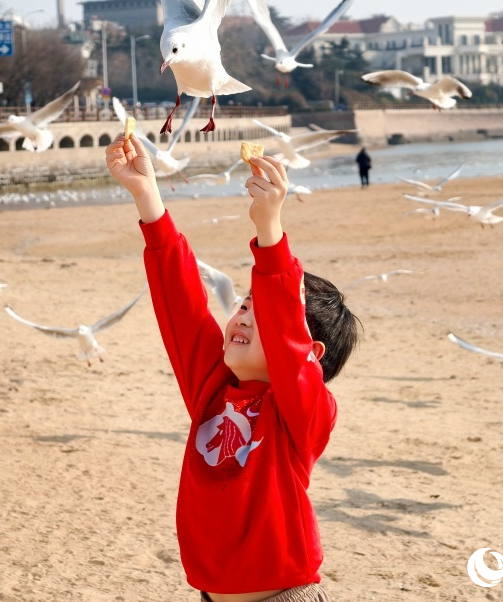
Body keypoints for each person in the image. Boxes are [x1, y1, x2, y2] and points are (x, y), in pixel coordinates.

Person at [106, 134, 361, 602]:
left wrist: (269, 226)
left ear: (311, 354)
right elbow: (180, 305)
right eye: (243, 304)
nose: (242, 314)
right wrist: (147, 196)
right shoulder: (213, 389)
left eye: (260, 309)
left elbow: (288, 335)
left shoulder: (306, 415)